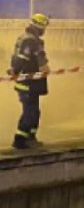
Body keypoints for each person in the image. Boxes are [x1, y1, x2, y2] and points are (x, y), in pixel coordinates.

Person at [10, 13, 50, 149]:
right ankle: (20, 140)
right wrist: (44, 68)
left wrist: (14, 71)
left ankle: (31, 137)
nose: (45, 30)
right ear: (39, 26)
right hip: (29, 82)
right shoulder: (32, 41)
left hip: (30, 81)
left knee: (35, 111)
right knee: (30, 112)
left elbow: (17, 59)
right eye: (44, 27)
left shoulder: (24, 38)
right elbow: (39, 61)